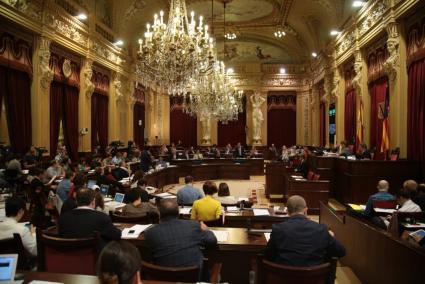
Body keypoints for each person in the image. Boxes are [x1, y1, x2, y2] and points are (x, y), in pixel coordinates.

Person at [265, 195, 345, 266]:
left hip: (284, 278)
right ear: (306, 210)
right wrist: (330, 237)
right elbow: (341, 252)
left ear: (287, 211)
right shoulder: (321, 229)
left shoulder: (278, 229)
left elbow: (268, 255)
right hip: (315, 279)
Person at [144, 199, 217, 269]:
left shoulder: (150, 233)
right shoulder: (193, 225)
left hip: (163, 277)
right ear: (178, 211)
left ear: (159, 214)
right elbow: (212, 241)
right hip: (194, 276)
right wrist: (207, 230)